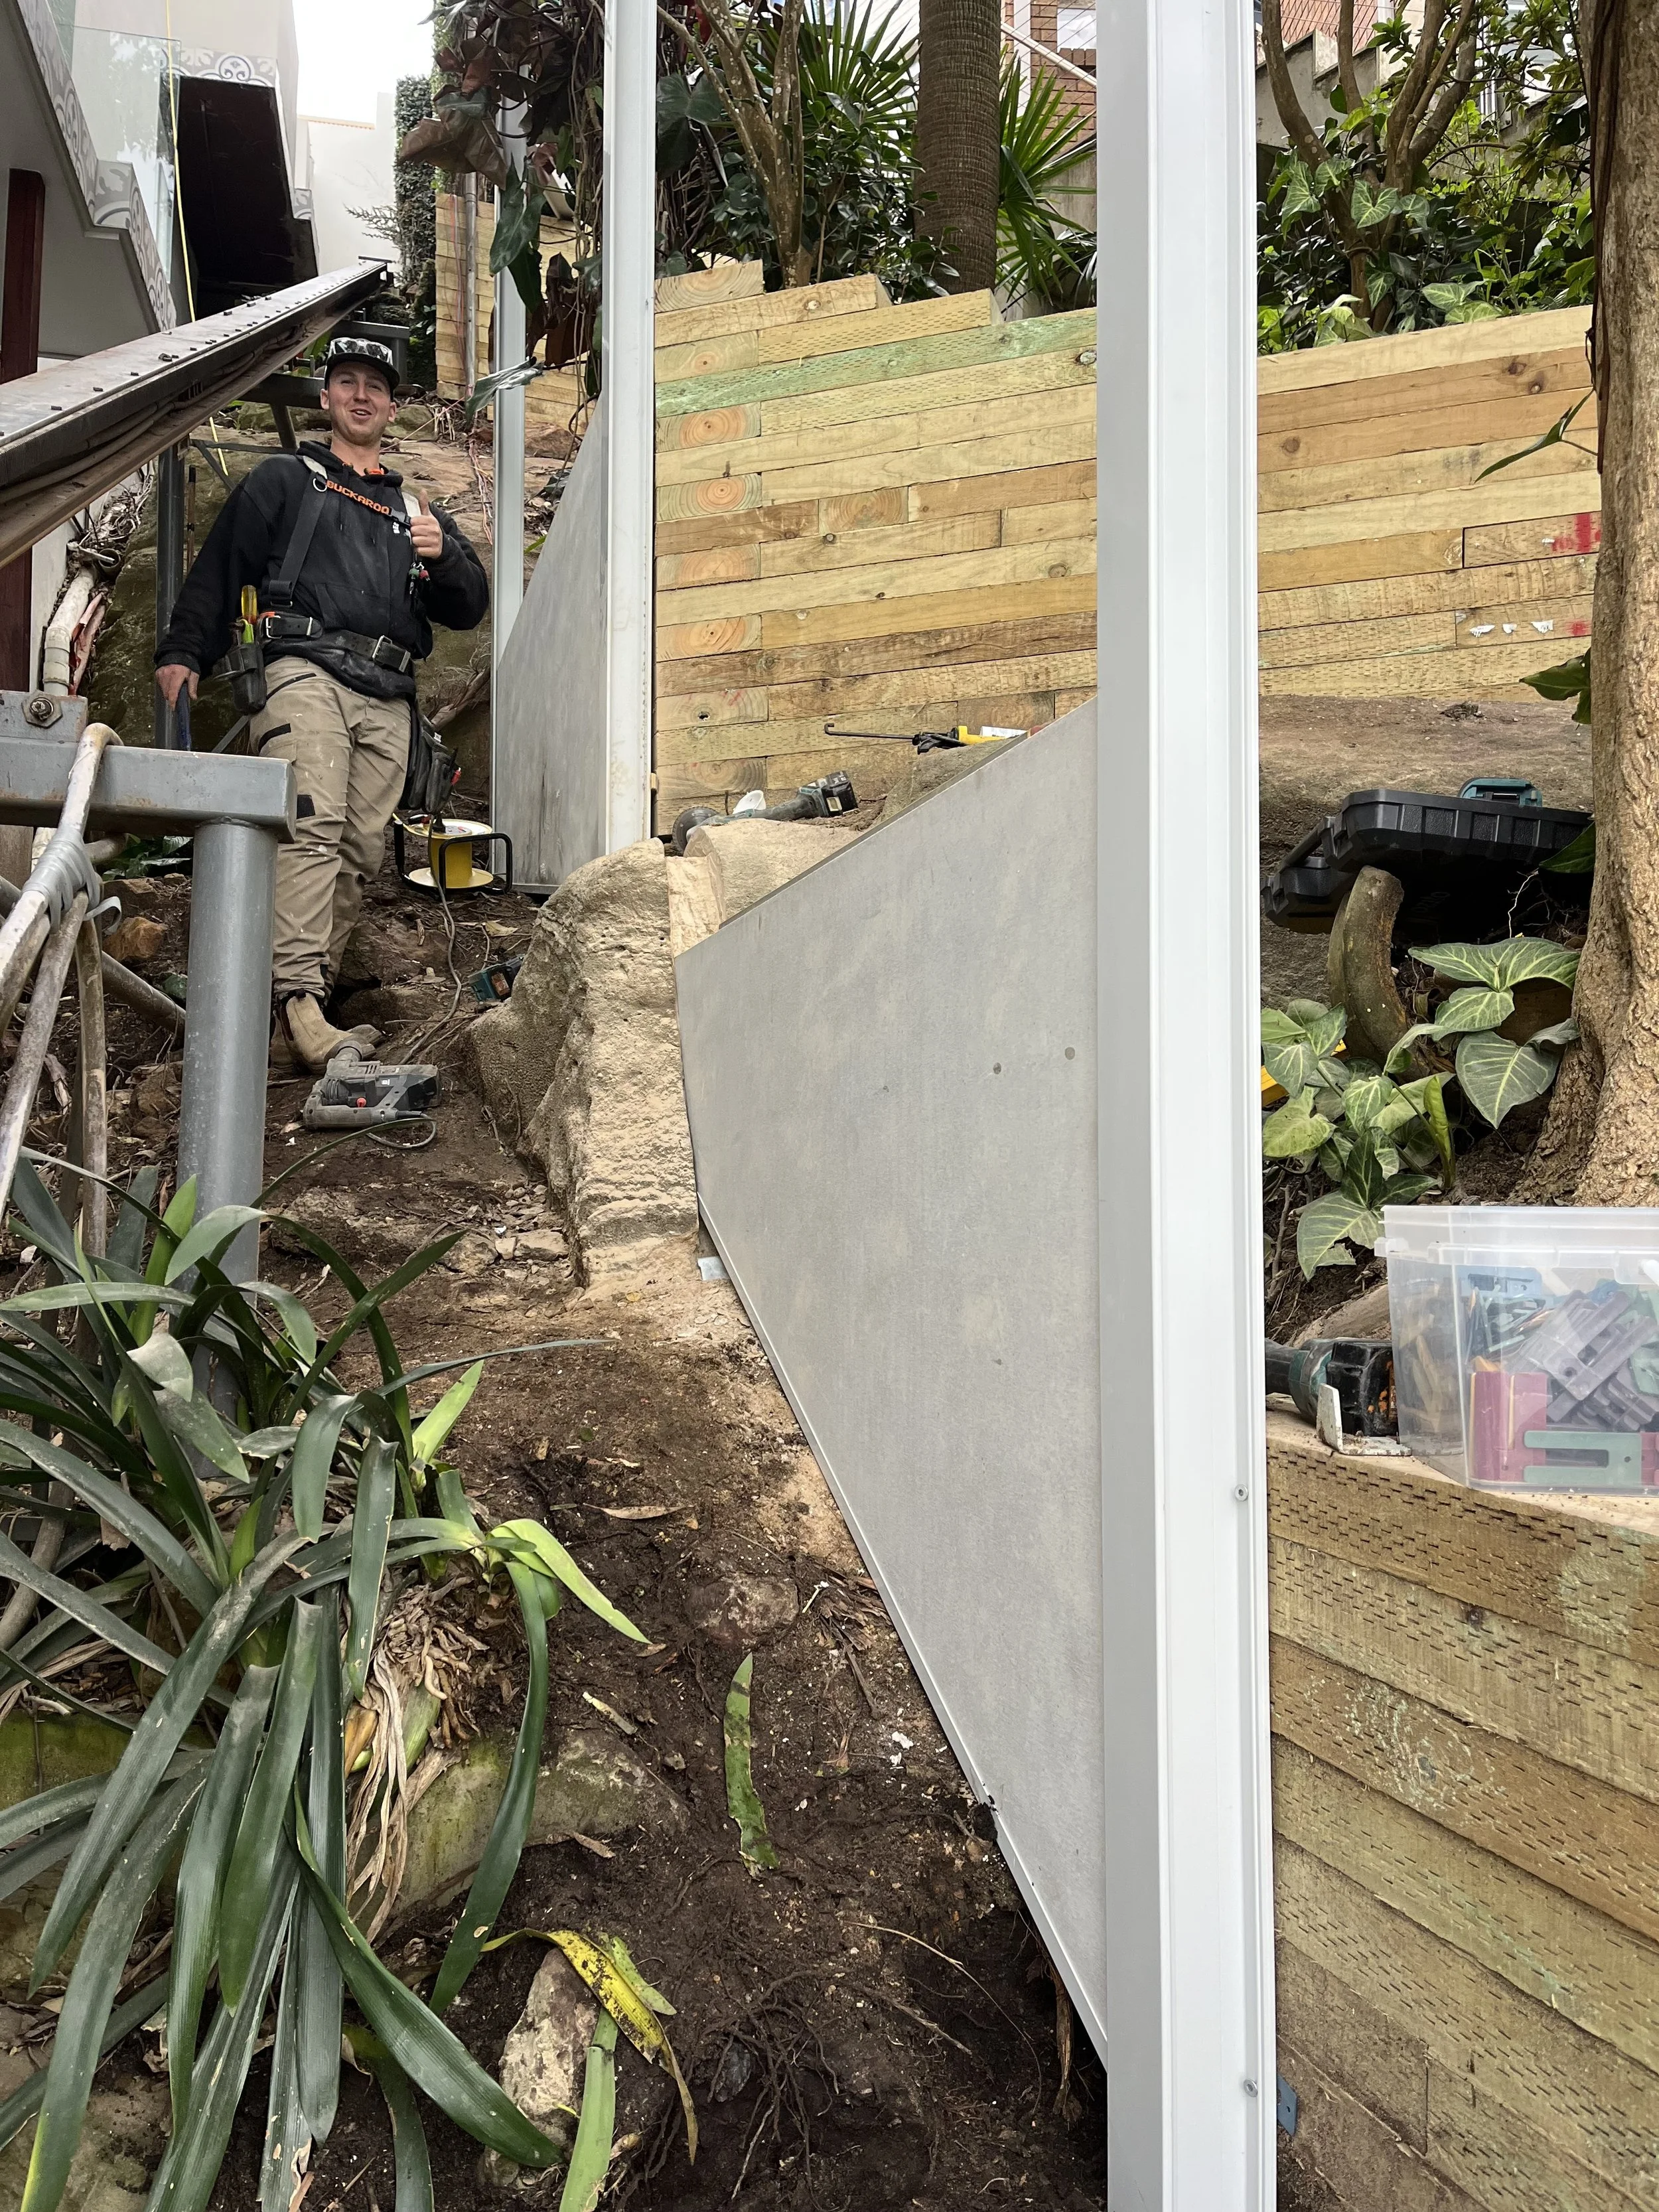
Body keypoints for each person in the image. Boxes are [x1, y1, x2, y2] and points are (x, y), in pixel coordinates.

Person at [154, 336, 489, 1071]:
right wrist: (183, 652)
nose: (362, 395)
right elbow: (222, 566)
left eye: (375, 385)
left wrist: (445, 555)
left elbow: (469, 609)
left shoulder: (414, 508)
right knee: (312, 826)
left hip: (390, 694)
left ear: (392, 406)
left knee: (362, 851)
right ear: (328, 398)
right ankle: (299, 1005)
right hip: (304, 670)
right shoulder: (286, 479)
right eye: (347, 382)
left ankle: (294, 1017)